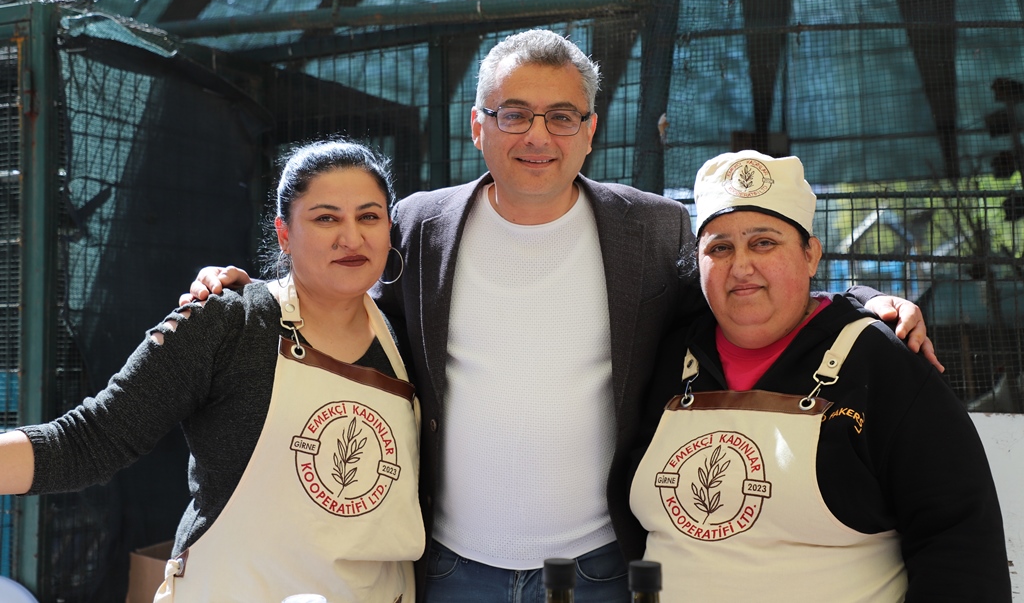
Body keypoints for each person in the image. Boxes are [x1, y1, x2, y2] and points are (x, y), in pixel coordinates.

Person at [187, 30, 939, 603]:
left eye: (560, 115)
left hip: (602, 567)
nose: (537, 136)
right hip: (450, 566)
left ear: (590, 128)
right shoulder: (417, 224)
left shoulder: (652, 228)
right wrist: (249, 293)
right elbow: (339, 302)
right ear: (478, 126)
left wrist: (859, 303)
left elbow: (742, 296)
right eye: (514, 114)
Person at [0, 141, 425, 603]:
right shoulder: (227, 322)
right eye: (326, 218)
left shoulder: (410, 339)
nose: (351, 238)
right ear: (284, 234)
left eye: (368, 216)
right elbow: (90, 441)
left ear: (389, 228)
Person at [630, 150, 1011, 601]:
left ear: (811, 255)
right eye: (720, 248)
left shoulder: (878, 359)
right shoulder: (666, 352)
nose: (741, 266)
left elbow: (959, 539)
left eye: (764, 243)